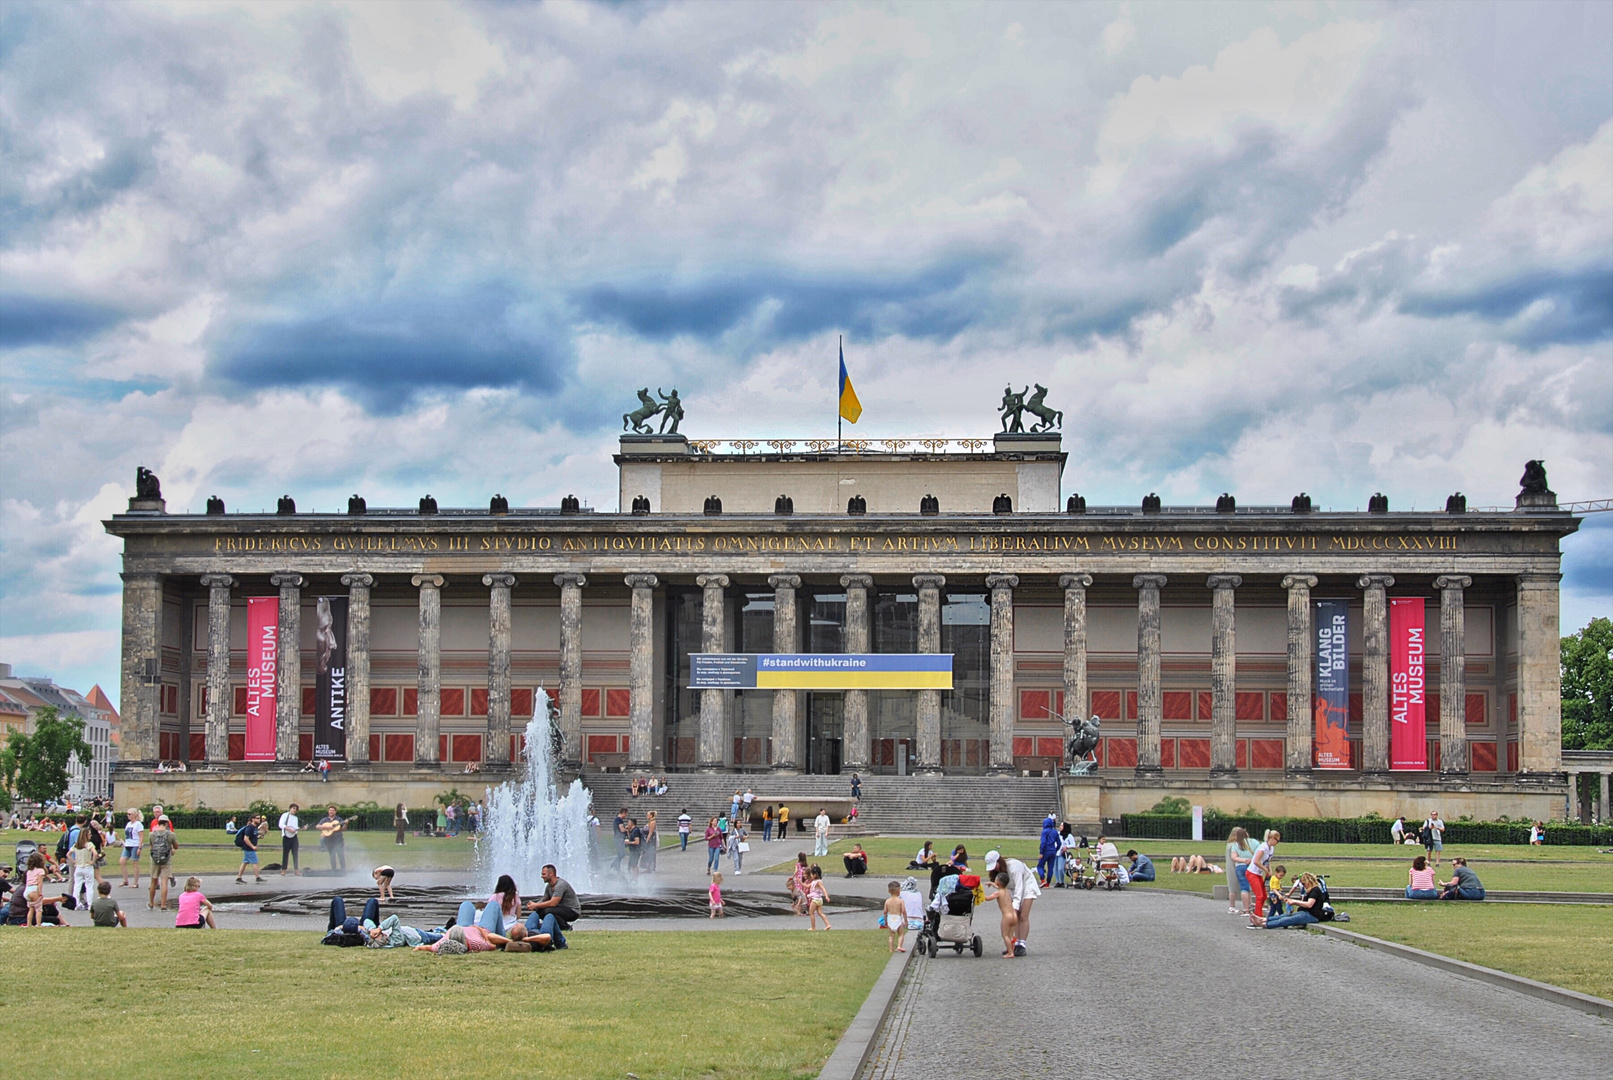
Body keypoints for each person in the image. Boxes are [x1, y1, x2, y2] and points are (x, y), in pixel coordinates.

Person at [984, 849, 1041, 956]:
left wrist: (1015, 905)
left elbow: (1020, 886)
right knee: (1016, 916)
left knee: (1023, 915)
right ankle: (1013, 945)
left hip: (1027, 885)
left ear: (999, 861)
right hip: (1012, 888)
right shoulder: (999, 871)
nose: (994, 869)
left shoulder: (1015, 867)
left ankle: (1022, 944)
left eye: (994, 865)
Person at [521, 864, 579, 948]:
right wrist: (533, 905)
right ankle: (540, 928)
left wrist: (536, 905)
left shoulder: (560, 885)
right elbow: (544, 899)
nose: (542, 876)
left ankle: (565, 927)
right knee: (540, 911)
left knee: (548, 911)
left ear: (551, 874)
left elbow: (553, 903)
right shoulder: (549, 886)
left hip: (572, 910)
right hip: (559, 909)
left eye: (543, 874)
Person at [1264, 873, 1333, 929]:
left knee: (1286, 920)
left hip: (1312, 915)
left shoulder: (1315, 891)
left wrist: (1294, 902)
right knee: (1284, 916)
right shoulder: (1311, 891)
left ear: (1308, 882)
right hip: (1305, 913)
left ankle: (1265, 924)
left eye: (1304, 884)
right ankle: (1264, 920)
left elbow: (1309, 904)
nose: (1303, 886)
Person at [1245, 830, 1279, 927]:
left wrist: (1269, 870)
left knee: (1264, 895)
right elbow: (1256, 861)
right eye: (1277, 840)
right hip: (1252, 872)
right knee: (1259, 896)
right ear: (1272, 839)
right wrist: (1265, 870)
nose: (1277, 843)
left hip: (1258, 873)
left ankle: (1257, 914)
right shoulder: (1263, 848)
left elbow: (1267, 861)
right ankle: (1257, 918)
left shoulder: (1271, 849)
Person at [147, 817, 178, 912]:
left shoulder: (151, 834)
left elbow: (151, 847)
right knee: (164, 882)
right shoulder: (171, 835)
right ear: (167, 823)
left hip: (154, 860)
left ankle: (151, 903)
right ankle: (163, 904)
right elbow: (176, 846)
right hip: (166, 860)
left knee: (153, 881)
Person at [985, 870, 1017, 958]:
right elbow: (998, 886)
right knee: (1011, 935)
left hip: (1007, 916)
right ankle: (1012, 950)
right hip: (1014, 915)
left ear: (998, 882)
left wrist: (979, 893)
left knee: (1005, 935)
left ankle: (1010, 953)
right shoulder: (1006, 890)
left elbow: (987, 898)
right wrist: (991, 884)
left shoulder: (998, 893)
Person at [1225, 826, 1254, 917]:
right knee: (1235, 887)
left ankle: (1246, 904)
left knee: (1240, 886)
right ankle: (1232, 906)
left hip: (1235, 866)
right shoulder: (1234, 845)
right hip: (1235, 866)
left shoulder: (1232, 844)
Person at [69, 827, 98, 908]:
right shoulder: (89, 844)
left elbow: (68, 854)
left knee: (77, 886)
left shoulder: (76, 845)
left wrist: (74, 861)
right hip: (87, 867)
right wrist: (92, 861)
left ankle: (76, 903)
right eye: (89, 834)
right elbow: (95, 853)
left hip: (79, 867)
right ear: (86, 835)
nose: (91, 836)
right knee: (89, 886)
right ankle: (90, 904)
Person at [235, 814, 263, 883]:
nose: (259, 820)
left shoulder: (254, 828)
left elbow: (252, 837)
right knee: (255, 862)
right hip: (248, 848)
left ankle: (239, 878)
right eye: (257, 818)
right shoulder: (249, 828)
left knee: (245, 862)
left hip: (249, 848)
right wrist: (252, 846)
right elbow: (246, 839)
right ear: (253, 819)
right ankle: (258, 878)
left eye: (259, 818)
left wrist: (259, 837)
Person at [119, 808, 144, 888]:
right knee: (122, 861)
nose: (128, 816)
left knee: (135, 863)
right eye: (127, 814)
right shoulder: (128, 824)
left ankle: (135, 882)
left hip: (135, 845)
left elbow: (141, 836)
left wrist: (139, 847)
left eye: (130, 814)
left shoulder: (138, 824)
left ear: (134, 815)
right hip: (128, 845)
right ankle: (125, 880)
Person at [882, 881, 908, 953]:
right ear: (899, 890)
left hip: (890, 918)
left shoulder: (887, 901)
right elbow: (903, 911)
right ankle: (899, 946)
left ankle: (891, 949)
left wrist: (885, 921)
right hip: (898, 918)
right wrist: (905, 920)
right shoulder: (900, 901)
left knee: (891, 935)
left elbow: (885, 912)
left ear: (888, 891)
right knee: (901, 934)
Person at [22, 851, 47, 926]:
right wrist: (40, 893)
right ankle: (38, 924)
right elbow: (39, 883)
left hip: (27, 891)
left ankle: (29, 924)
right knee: (39, 909)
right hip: (34, 889)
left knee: (31, 908)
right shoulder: (41, 871)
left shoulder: (29, 871)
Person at [278, 803, 302, 876]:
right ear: (290, 808)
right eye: (293, 808)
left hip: (294, 836)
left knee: (295, 853)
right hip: (286, 836)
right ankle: (284, 869)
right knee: (285, 853)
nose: (294, 810)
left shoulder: (295, 818)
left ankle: (296, 870)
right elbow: (281, 824)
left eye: (296, 809)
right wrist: (288, 828)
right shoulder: (285, 815)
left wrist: (301, 828)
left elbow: (295, 828)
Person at [1037, 815, 1060, 887]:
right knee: (1050, 867)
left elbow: (1043, 842)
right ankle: (1048, 883)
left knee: (1040, 865)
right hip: (1053, 851)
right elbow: (1059, 843)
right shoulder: (1055, 832)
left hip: (1045, 850)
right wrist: (1055, 850)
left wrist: (1041, 852)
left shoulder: (1044, 832)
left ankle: (1042, 880)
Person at [807, 865, 831, 930]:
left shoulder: (818, 882)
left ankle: (813, 927)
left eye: (811, 874)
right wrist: (800, 882)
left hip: (815, 899)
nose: (811, 875)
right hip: (819, 899)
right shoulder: (814, 882)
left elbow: (823, 889)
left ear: (815, 875)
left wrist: (826, 896)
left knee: (811, 912)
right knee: (820, 913)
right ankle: (828, 925)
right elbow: (807, 886)